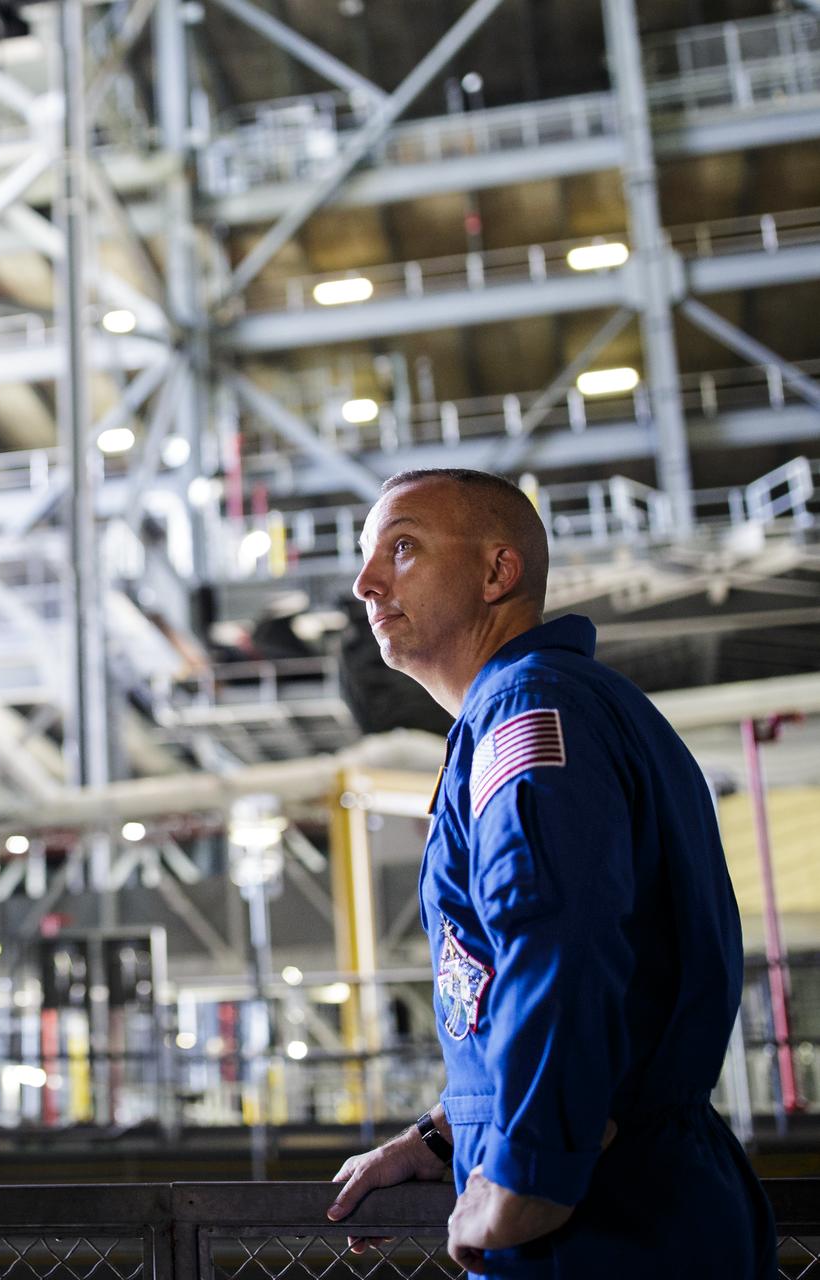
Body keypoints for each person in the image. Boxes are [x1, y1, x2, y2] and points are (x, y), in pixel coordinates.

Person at [326, 468, 777, 1278]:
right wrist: (446, 1134)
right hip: (620, 1187)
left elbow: (557, 942)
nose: (365, 584)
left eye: (403, 548)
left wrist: (529, 1172)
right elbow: (520, 985)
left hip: (600, 1221)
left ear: (499, 572)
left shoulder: (529, 709)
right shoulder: (563, 703)